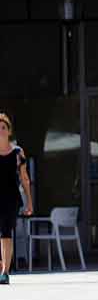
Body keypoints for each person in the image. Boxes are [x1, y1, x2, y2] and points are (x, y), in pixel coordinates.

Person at [0, 112, 35, 285]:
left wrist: (29, 202)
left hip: (11, 198)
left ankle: (5, 272)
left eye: (3, 127)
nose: (0, 130)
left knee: (5, 233)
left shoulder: (17, 152)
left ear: (9, 131)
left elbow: (25, 178)